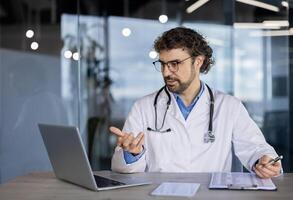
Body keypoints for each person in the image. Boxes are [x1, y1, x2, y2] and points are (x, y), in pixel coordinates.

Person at [109, 27, 282, 178]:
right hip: (160, 195)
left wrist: (264, 161)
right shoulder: (144, 107)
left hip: (211, 195)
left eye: (174, 64)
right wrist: (131, 154)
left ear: (198, 61)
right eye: (162, 64)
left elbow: (255, 147)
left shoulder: (229, 106)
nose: (166, 72)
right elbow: (122, 167)